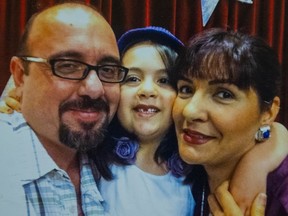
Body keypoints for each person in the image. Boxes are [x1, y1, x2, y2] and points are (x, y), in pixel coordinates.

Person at [1, 24, 287, 215]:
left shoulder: (192, 167)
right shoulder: (90, 151)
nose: (147, 90)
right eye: (132, 78)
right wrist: (23, 99)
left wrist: (260, 159)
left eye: (165, 81)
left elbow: (272, 134)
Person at [0, 2, 128, 215]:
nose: (94, 89)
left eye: (108, 70)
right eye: (68, 65)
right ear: (20, 76)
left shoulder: (110, 163)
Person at [172, 28, 288, 215]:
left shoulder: (282, 191)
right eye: (186, 89)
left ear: (268, 112)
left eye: (224, 94)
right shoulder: (179, 169)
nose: (190, 110)